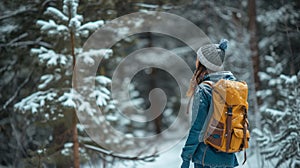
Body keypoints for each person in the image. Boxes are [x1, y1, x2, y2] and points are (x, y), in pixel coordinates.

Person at [180, 39, 239, 168]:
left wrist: (186, 156)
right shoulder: (233, 87)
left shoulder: (204, 89)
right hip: (228, 155)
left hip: (205, 158)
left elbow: (197, 129)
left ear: (203, 63)